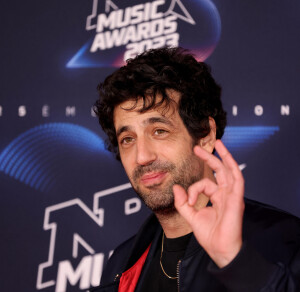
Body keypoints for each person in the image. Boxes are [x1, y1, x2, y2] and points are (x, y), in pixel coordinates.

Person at [91, 47, 300, 291]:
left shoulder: (283, 241)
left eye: (159, 131)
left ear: (205, 136)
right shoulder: (121, 264)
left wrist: (238, 262)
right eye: (128, 139)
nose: (142, 156)